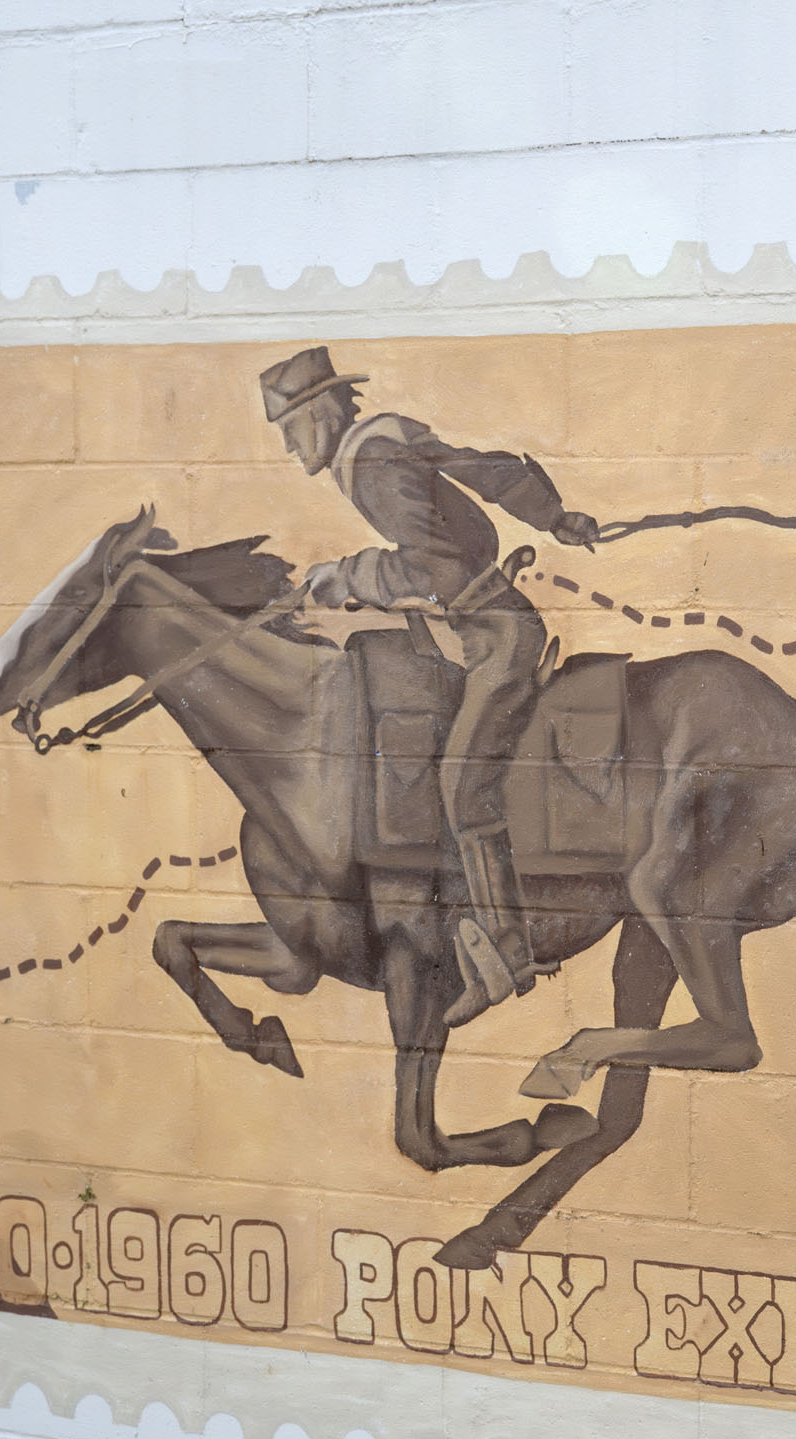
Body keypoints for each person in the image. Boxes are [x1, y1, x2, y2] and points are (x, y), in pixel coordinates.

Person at [257, 346, 603, 1027]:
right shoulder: (387, 436)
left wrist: (344, 576)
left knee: (460, 783)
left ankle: (509, 948)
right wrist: (553, 514)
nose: (290, 445)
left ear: (324, 414)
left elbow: (432, 567)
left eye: (293, 427)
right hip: (474, 630)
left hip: (495, 636)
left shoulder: (370, 465)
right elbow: (485, 469)